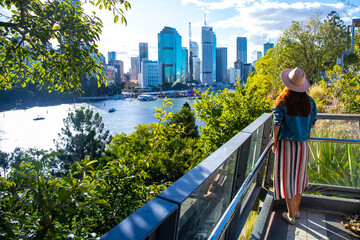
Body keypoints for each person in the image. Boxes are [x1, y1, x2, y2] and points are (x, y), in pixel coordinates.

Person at [272, 67, 317, 225]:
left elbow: (276, 122)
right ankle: (296, 211)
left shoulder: (283, 100)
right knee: (299, 178)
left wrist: (275, 141)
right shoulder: (309, 101)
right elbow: (312, 122)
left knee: (287, 178)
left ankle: (290, 215)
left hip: (286, 144)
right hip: (303, 145)